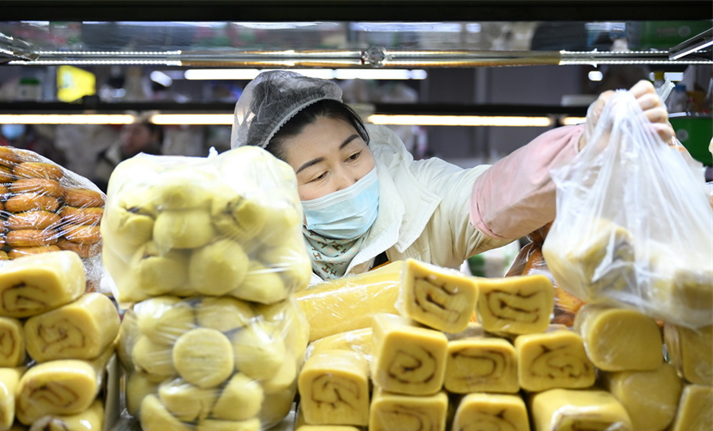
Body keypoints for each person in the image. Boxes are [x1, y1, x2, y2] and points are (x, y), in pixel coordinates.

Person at [230, 70, 673, 281]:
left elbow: (491, 197)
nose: (347, 182)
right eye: (317, 175)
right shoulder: (245, 246)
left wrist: (581, 148)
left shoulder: (417, 195)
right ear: (276, 187)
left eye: (353, 156)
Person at [94, 118, 164, 192]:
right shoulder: (107, 161)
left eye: (136, 132)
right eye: (125, 130)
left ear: (154, 135)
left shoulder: (165, 165)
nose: (128, 136)